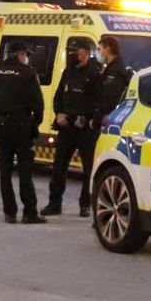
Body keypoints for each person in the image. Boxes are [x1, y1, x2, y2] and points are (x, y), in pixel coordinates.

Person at [0, 40, 46, 224]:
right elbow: (38, 103)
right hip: (21, 126)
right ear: (20, 54)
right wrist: (34, 123)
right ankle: (29, 212)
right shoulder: (28, 73)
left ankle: (9, 212)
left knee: (5, 171)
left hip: (1, 126)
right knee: (25, 171)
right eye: (25, 55)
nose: (26, 58)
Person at [47, 39, 104, 217]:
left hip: (85, 130)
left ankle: (85, 204)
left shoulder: (95, 74)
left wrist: (86, 118)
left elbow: (98, 102)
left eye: (76, 52)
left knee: (88, 169)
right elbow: (58, 97)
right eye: (72, 52)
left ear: (86, 53)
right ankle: (54, 203)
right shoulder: (68, 73)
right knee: (59, 167)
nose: (73, 55)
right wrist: (59, 114)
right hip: (67, 128)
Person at [95, 34, 133, 127]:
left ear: (107, 49)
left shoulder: (116, 70)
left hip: (110, 119)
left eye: (100, 49)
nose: (98, 53)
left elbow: (108, 98)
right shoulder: (111, 68)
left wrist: (97, 119)